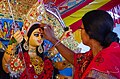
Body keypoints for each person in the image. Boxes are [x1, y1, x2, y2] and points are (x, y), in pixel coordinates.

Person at [41, 10, 120, 79]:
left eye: (81, 28)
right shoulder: (96, 53)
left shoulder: (104, 64)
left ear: (89, 32)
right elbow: (76, 60)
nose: (79, 32)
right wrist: (52, 39)